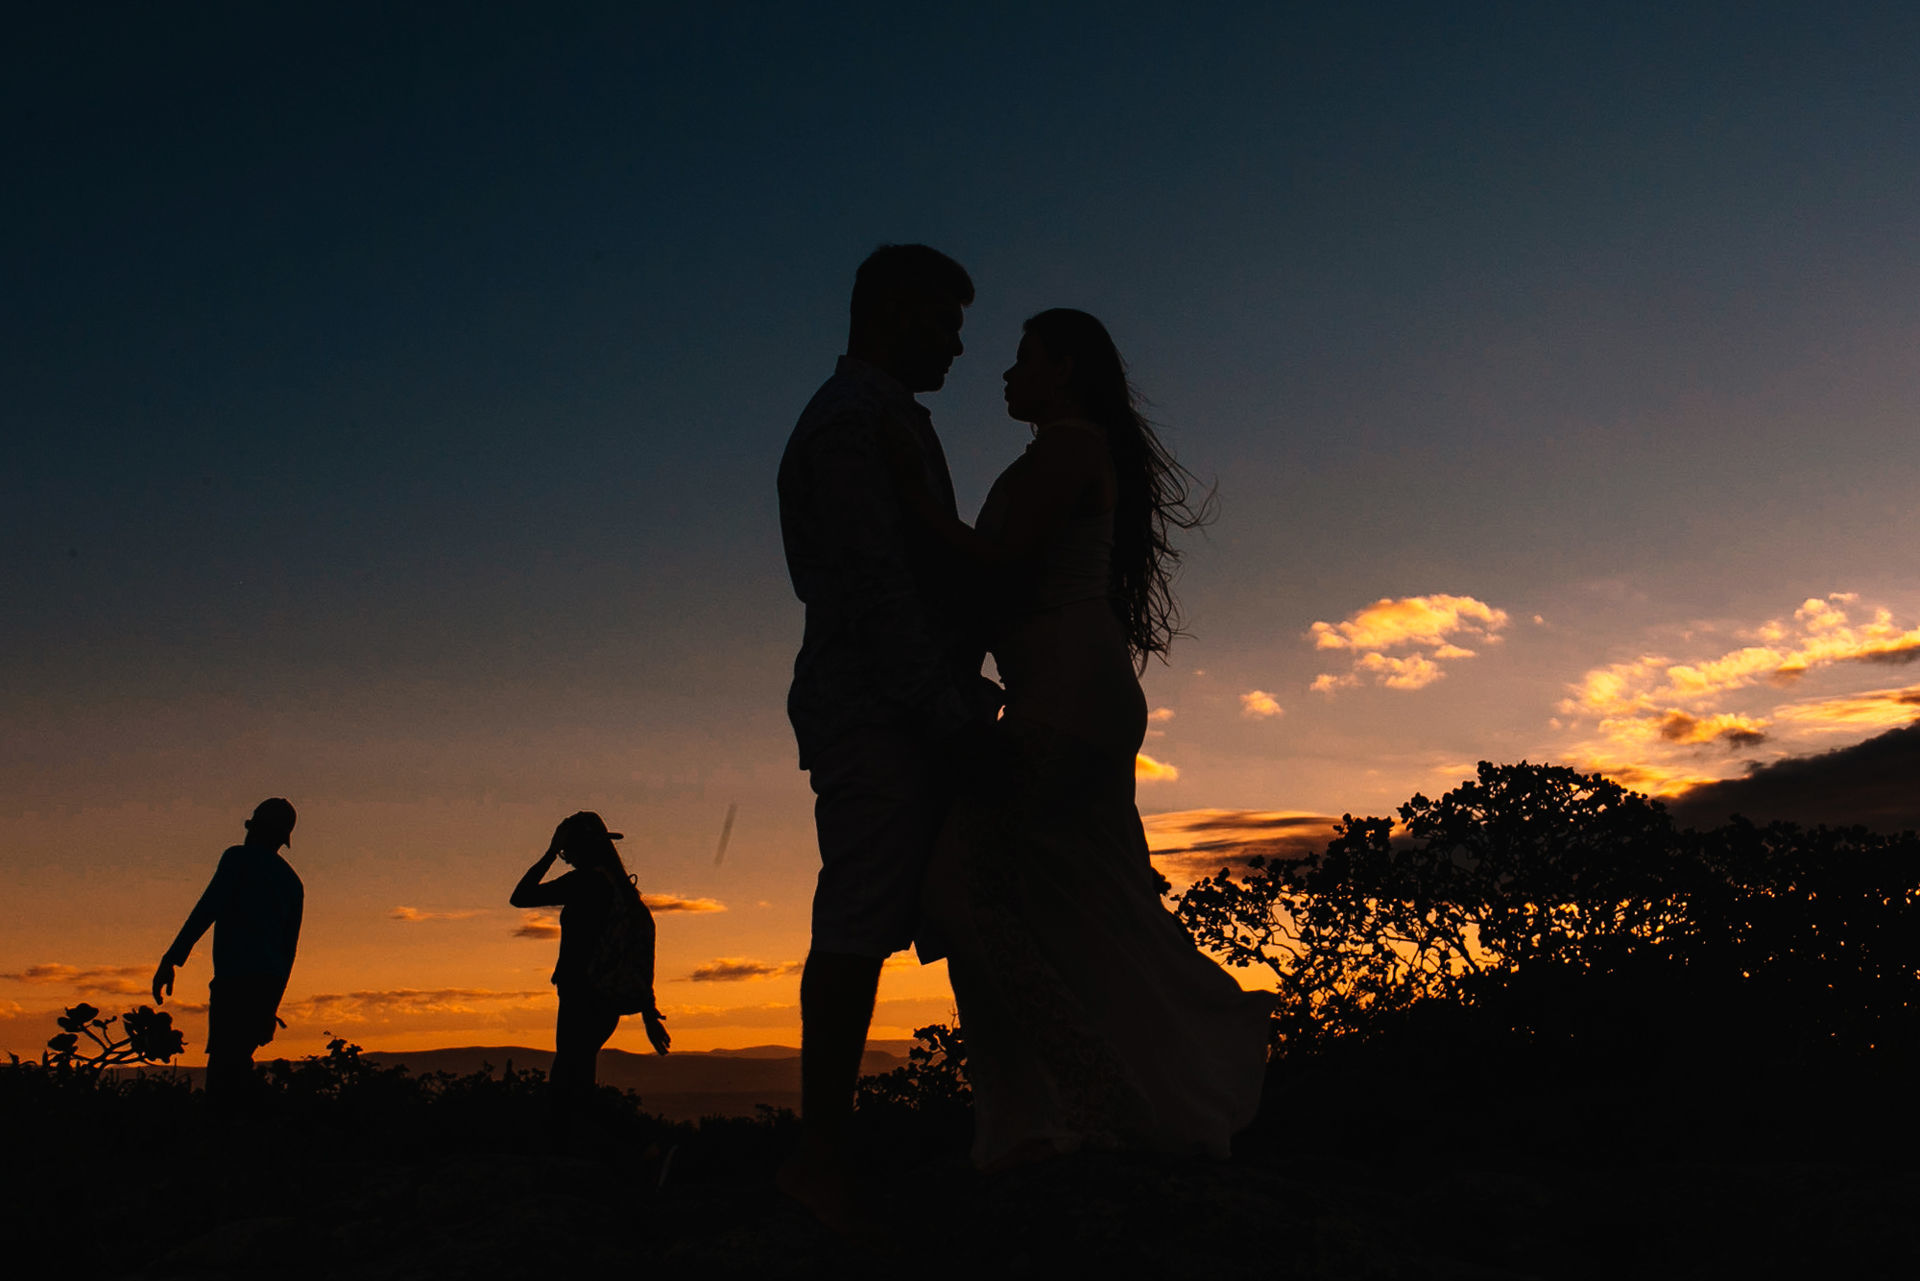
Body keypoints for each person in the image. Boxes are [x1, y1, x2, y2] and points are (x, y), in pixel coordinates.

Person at [911, 308, 1271, 1171]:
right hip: (1073, 695)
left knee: (966, 888)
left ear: (1064, 369)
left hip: (1066, 701)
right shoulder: (1067, 451)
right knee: (1070, 897)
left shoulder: (1068, 449)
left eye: (1023, 357)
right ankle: (1068, 1113)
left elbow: (994, 566)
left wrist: (907, 503)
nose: (1005, 374)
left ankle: (1091, 1108)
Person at [775, 243, 998, 1222]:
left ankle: (997, 1125)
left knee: (946, 910)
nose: (957, 345)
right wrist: (942, 712)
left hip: (901, 704)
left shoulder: (882, 420)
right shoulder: (851, 426)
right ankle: (822, 1157)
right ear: (894, 312)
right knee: (860, 920)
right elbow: (874, 590)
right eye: (945, 322)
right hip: (878, 712)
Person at [510, 810, 670, 1120]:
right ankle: (579, 1148)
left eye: (566, 850)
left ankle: (569, 1153)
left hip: (582, 995)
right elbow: (639, 951)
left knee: (568, 1080)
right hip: (605, 999)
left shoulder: (587, 882)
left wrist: (547, 854)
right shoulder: (621, 889)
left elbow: (521, 897)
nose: (566, 857)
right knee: (579, 1075)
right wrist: (647, 1011)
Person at [152, 797, 305, 1105]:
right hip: (265, 987)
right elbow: (288, 954)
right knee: (237, 1063)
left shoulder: (237, 859)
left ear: (255, 829)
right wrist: (271, 1007)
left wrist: (171, 959)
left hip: (234, 982)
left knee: (224, 1066)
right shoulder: (293, 883)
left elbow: (206, 909)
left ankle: (224, 1138)